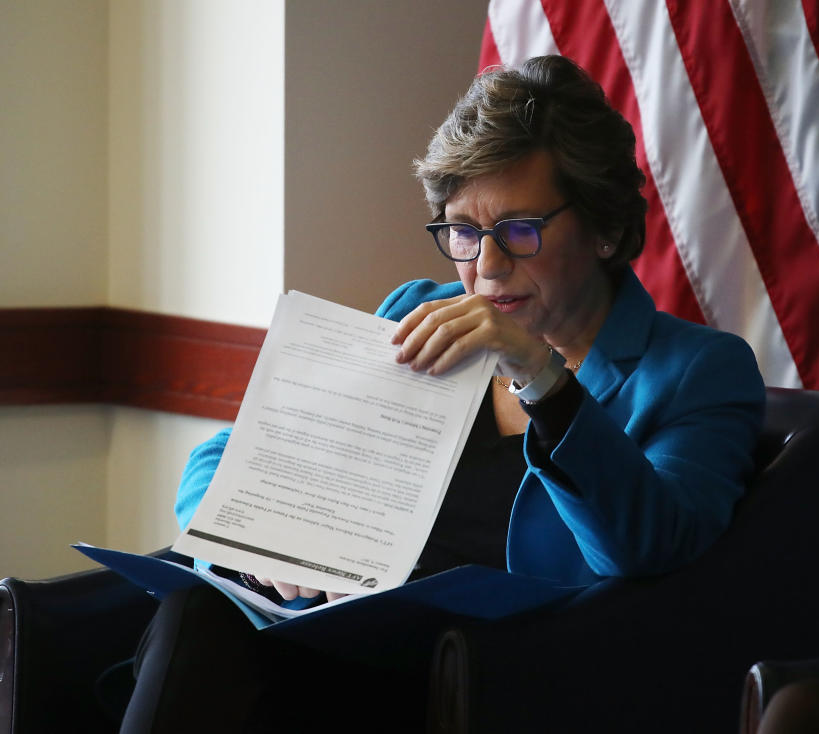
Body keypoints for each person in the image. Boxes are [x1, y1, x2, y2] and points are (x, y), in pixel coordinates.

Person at [113, 55, 766, 732]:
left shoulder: (699, 369)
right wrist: (257, 547)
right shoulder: (418, 311)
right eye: (462, 231)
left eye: (520, 230)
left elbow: (648, 546)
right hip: (340, 648)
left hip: (510, 682)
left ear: (603, 227)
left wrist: (541, 376)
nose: (484, 267)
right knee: (200, 610)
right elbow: (228, 457)